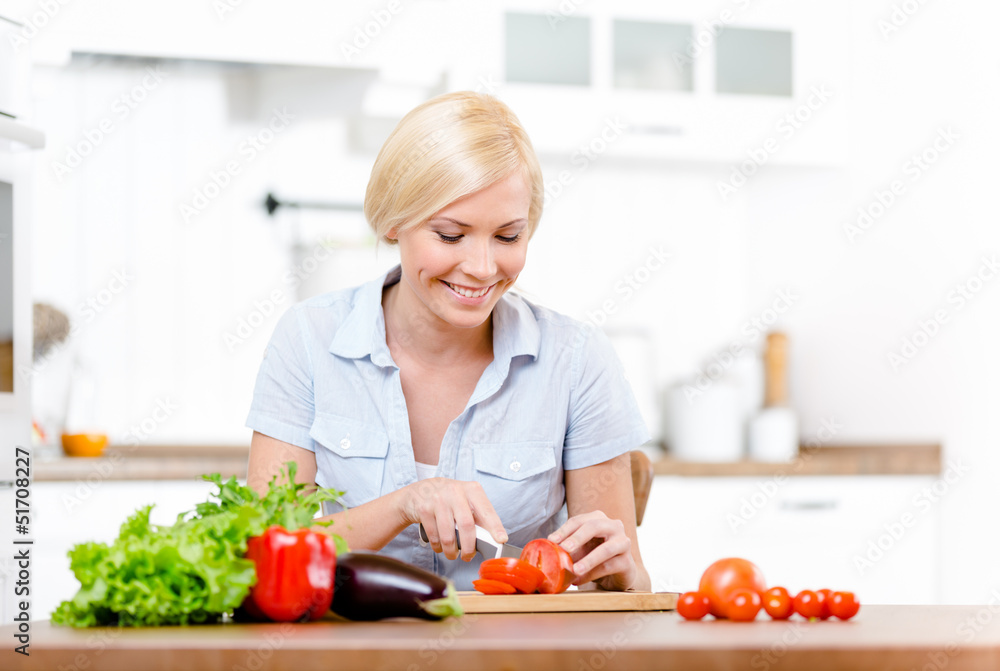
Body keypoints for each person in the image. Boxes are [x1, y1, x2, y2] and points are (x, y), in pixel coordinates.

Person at [246, 91, 652, 592]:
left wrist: (624, 574)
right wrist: (403, 504)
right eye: (450, 235)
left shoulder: (577, 360)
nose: (483, 268)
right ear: (393, 222)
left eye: (507, 237)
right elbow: (269, 554)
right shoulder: (308, 339)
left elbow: (615, 592)